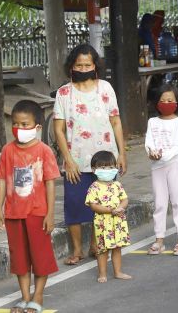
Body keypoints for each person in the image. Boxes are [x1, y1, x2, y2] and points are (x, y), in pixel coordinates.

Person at [53, 44, 127, 266]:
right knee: (74, 205)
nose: (83, 68)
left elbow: (116, 122)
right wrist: (68, 159)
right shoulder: (64, 93)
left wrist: (122, 153)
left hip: (105, 161)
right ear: (71, 66)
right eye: (79, 64)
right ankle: (77, 250)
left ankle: (96, 245)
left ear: (95, 65)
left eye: (87, 64)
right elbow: (58, 129)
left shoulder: (105, 88)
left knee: (102, 203)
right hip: (75, 160)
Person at [0, 100, 60, 313]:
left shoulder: (44, 151)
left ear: (37, 127)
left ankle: (38, 295)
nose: (19, 129)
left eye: (25, 124)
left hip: (37, 212)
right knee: (20, 258)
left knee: (40, 257)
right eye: (16, 124)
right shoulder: (7, 150)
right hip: (14, 213)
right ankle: (24, 297)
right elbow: (3, 180)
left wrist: (50, 213)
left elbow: (50, 183)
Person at [145, 84, 178, 256]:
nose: (166, 103)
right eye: (162, 100)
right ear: (156, 103)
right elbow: (149, 142)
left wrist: (161, 155)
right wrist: (152, 153)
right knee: (160, 203)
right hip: (157, 167)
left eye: (170, 100)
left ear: (176, 102)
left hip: (175, 164)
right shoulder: (152, 122)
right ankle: (159, 240)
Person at [85, 151, 131, 283]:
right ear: (94, 170)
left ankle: (118, 272)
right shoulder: (94, 187)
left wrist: (121, 207)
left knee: (117, 248)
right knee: (102, 249)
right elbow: (93, 205)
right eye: (103, 168)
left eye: (111, 167)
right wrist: (109, 210)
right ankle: (102, 274)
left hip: (117, 221)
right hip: (102, 222)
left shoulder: (117, 185)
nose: (107, 170)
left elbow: (125, 199)